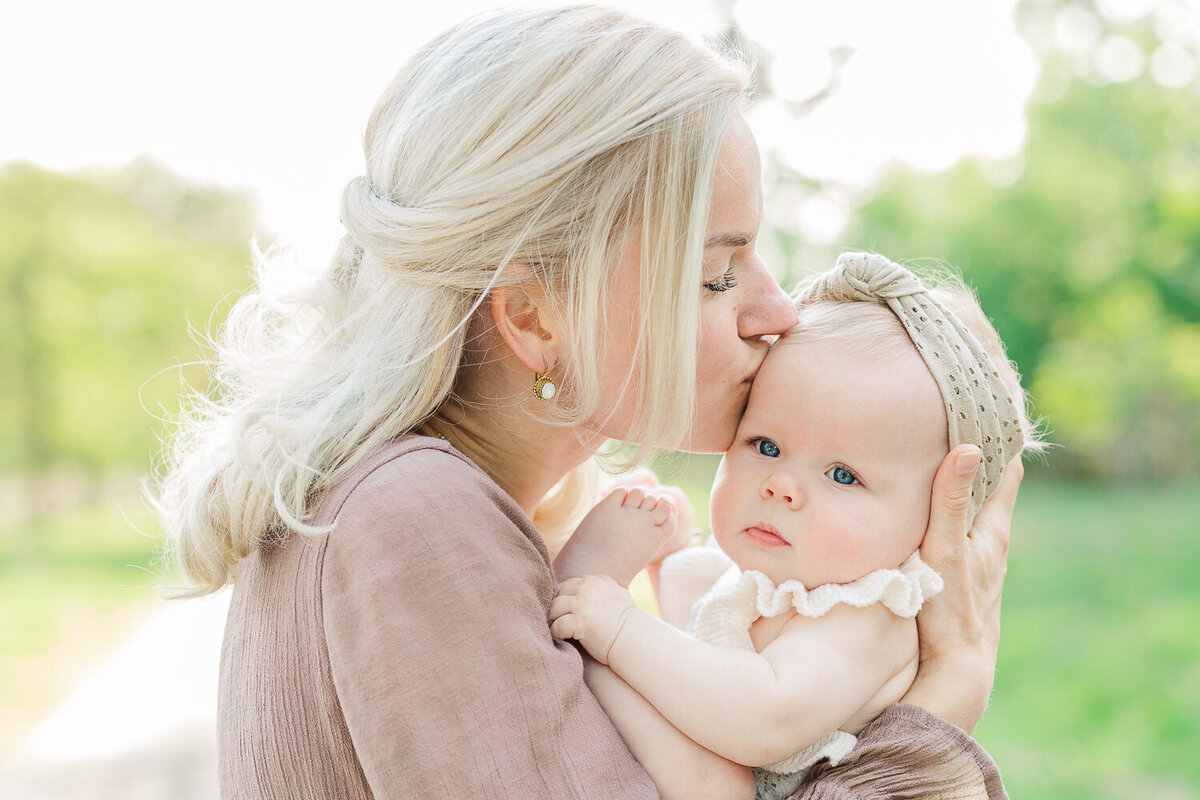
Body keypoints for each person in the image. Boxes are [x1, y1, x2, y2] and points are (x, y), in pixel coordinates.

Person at [155, 6, 1025, 798]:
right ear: (534, 319)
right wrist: (939, 710)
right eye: (717, 276)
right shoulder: (414, 519)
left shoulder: (455, 515)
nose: (778, 310)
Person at [551, 252, 1045, 800]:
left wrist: (618, 627)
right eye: (766, 446)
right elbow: (710, 644)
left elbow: (760, 718)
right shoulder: (789, 582)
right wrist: (670, 558)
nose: (781, 485)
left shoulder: (867, 616)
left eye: (842, 474)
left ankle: (582, 619)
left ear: (936, 518)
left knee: (713, 780)